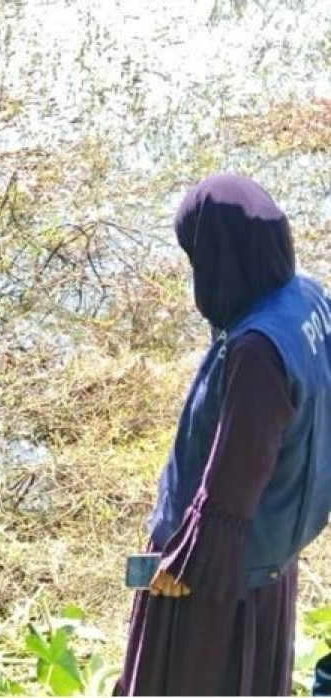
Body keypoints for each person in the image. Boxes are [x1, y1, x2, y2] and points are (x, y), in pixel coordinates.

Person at [116, 173, 331, 695]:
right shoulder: (306, 298)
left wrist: (187, 561)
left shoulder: (258, 351)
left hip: (221, 576)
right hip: (270, 550)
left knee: (187, 681)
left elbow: (236, 475)